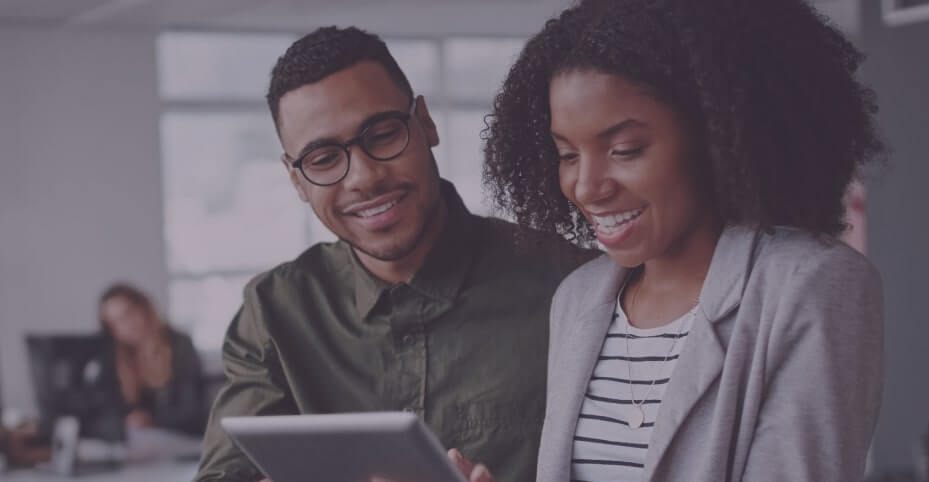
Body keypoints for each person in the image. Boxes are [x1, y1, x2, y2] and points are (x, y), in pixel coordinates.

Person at [459, 0, 887, 480]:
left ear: (716, 134)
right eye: (568, 154)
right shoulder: (577, 301)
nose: (586, 186)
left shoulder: (812, 287)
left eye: (624, 150)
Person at [195, 26, 592, 482]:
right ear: (296, 179)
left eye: (382, 134)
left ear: (425, 122)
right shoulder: (272, 312)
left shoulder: (570, 284)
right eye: (324, 159)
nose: (363, 177)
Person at [98, 282, 207, 438]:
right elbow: (105, 413)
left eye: (128, 314)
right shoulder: (114, 358)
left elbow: (194, 414)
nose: (125, 325)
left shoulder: (179, 345)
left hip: (180, 440)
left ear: (144, 308)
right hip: (139, 445)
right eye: (115, 323)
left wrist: (152, 421)